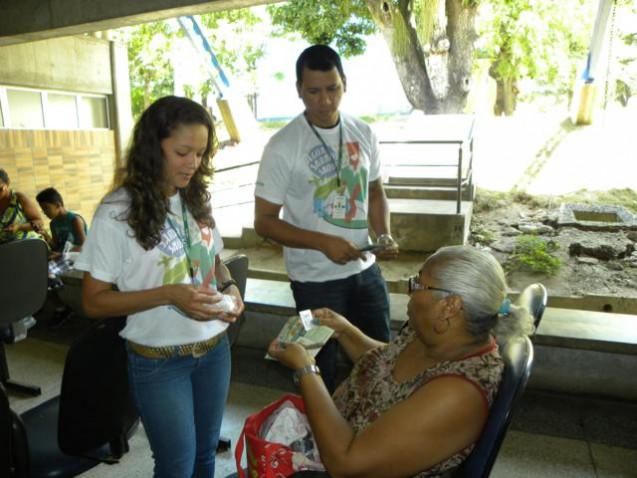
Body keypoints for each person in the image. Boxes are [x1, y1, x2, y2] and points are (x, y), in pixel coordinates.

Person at [74, 96, 244, 478]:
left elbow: (213, 259)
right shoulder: (118, 211)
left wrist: (230, 287)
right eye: (182, 152)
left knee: (204, 458)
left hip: (215, 349)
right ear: (154, 147)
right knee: (176, 465)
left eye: (200, 154)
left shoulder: (195, 197)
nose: (193, 164)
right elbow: (93, 301)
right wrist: (168, 294)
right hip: (158, 359)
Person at [268, 245, 535, 478]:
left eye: (418, 284)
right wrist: (344, 331)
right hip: (331, 441)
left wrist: (306, 369)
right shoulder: (437, 335)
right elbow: (388, 366)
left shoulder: (458, 392)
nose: (410, 290)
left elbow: (346, 464)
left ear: (450, 306)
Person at [254, 44, 399, 391]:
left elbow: (375, 192)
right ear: (299, 91)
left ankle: (377, 436)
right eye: (313, 91)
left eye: (332, 88)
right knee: (317, 372)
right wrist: (323, 243)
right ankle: (322, 442)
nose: (325, 100)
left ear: (344, 84)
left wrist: (383, 235)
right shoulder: (283, 145)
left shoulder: (363, 132)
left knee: (382, 360)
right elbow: (264, 221)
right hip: (313, 281)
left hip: (366, 273)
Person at [36, 187, 88, 259]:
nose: (44, 212)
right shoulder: (53, 224)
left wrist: (62, 255)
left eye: (46, 208)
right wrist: (45, 235)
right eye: (43, 210)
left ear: (58, 205)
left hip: (76, 258)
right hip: (61, 257)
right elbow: (56, 247)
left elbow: (84, 247)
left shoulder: (75, 220)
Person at [0, 168, 46, 245]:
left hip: (28, 244)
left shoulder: (19, 198)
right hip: (5, 250)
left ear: (7, 184)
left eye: (0, 189)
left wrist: (19, 227)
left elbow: (39, 222)